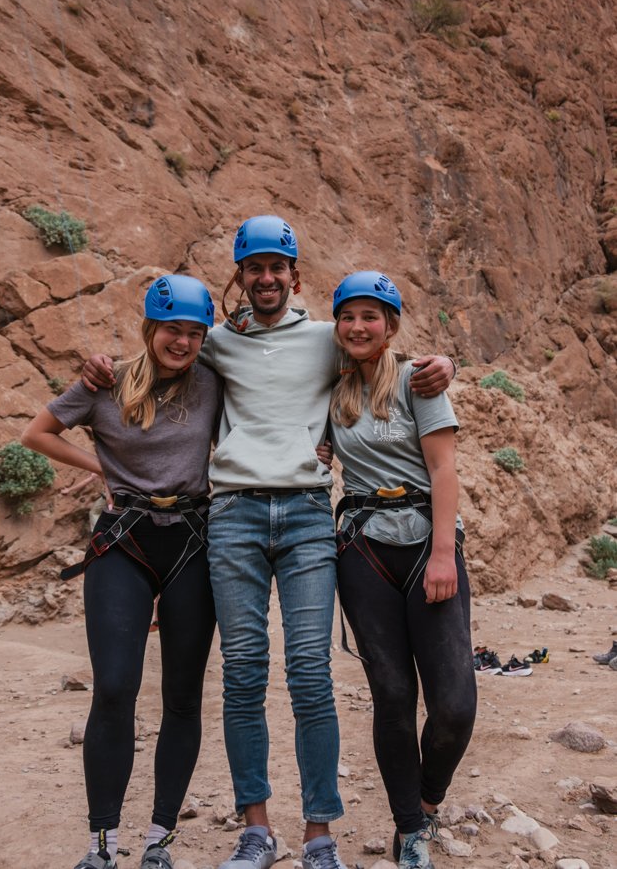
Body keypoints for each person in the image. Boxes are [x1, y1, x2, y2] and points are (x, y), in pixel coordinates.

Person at [82, 217, 456, 869]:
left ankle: (319, 835)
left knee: (311, 674)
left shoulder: (326, 339)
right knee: (244, 675)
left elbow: (383, 350)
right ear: (240, 277)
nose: (265, 278)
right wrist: (96, 370)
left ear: (294, 276)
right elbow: (157, 356)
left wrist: (447, 362)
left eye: (275, 267)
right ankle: (256, 829)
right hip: (233, 518)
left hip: (311, 517)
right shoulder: (217, 342)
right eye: (252, 268)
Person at [22, 275, 222, 869]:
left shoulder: (214, 383)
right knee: (114, 687)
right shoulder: (105, 383)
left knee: (183, 697)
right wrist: (101, 466)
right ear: (150, 328)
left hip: (192, 540)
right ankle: (101, 844)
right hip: (125, 541)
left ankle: (159, 840)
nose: (182, 342)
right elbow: (36, 433)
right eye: (172, 330)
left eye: (193, 332)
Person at [329, 272, 476, 869]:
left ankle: (428, 796)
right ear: (337, 326)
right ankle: (410, 828)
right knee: (392, 696)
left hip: (426, 543)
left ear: (390, 326)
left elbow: (444, 470)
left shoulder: (420, 380)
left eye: (372, 316)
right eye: (349, 316)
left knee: (454, 706)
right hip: (363, 548)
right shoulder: (330, 391)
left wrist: (444, 552)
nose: (359, 326)